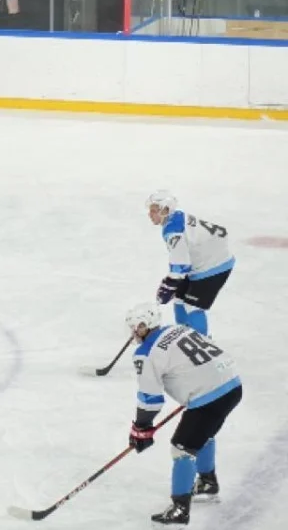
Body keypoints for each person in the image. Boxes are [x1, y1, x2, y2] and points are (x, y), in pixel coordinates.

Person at [124, 302, 242, 526]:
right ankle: (207, 482)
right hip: (233, 384)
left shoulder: (146, 353)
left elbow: (150, 399)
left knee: (182, 448)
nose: (133, 333)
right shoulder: (177, 329)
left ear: (144, 326)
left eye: (135, 328)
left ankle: (180, 510)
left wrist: (140, 428)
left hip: (210, 396)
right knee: (202, 432)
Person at [146, 192, 234, 336]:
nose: (150, 214)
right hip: (202, 262)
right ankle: (183, 338)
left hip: (214, 266)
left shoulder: (173, 230)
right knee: (179, 299)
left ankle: (201, 342)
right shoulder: (176, 217)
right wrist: (171, 284)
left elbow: (181, 265)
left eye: (154, 211)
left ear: (165, 210)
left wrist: (169, 285)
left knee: (192, 305)